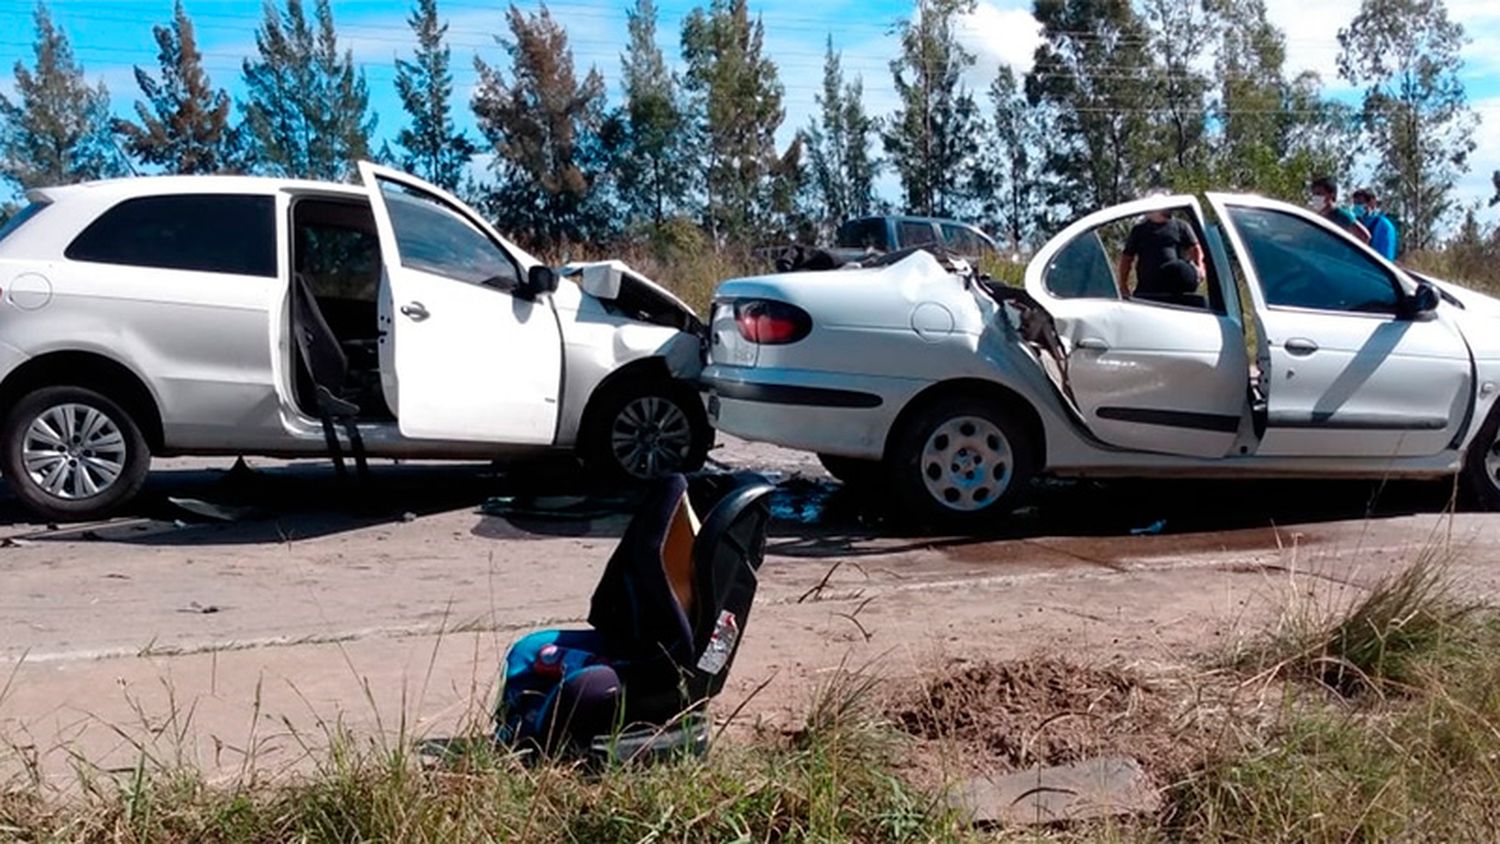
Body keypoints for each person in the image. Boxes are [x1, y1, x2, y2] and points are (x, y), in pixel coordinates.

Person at [1116, 208, 1207, 299]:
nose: (1168, 210)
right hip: (1147, 291)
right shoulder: (1139, 230)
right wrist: (1123, 285)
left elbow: (1196, 249)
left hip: (1175, 291)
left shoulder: (1181, 226)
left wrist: (1200, 268)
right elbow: (1127, 258)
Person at [1309, 177, 1371, 244]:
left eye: (1319, 194)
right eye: (1313, 194)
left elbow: (1365, 236)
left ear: (1331, 195)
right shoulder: (1319, 215)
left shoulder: (1341, 215)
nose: (1315, 198)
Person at [1352, 188, 1398, 260]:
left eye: (1360, 203)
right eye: (1355, 204)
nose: (1356, 207)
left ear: (1371, 204)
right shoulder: (1355, 222)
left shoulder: (1384, 226)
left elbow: (1385, 258)